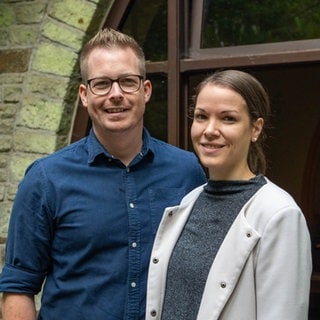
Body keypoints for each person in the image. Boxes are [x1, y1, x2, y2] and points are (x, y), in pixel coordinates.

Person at [0, 28, 206, 320]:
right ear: (84, 95)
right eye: (102, 84)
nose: (116, 94)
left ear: (145, 90)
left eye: (127, 81)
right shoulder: (45, 180)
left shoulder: (186, 173)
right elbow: (19, 285)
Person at [145, 70, 312, 320]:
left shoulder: (279, 215)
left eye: (228, 119)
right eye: (201, 116)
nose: (210, 130)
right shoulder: (189, 202)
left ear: (256, 128)